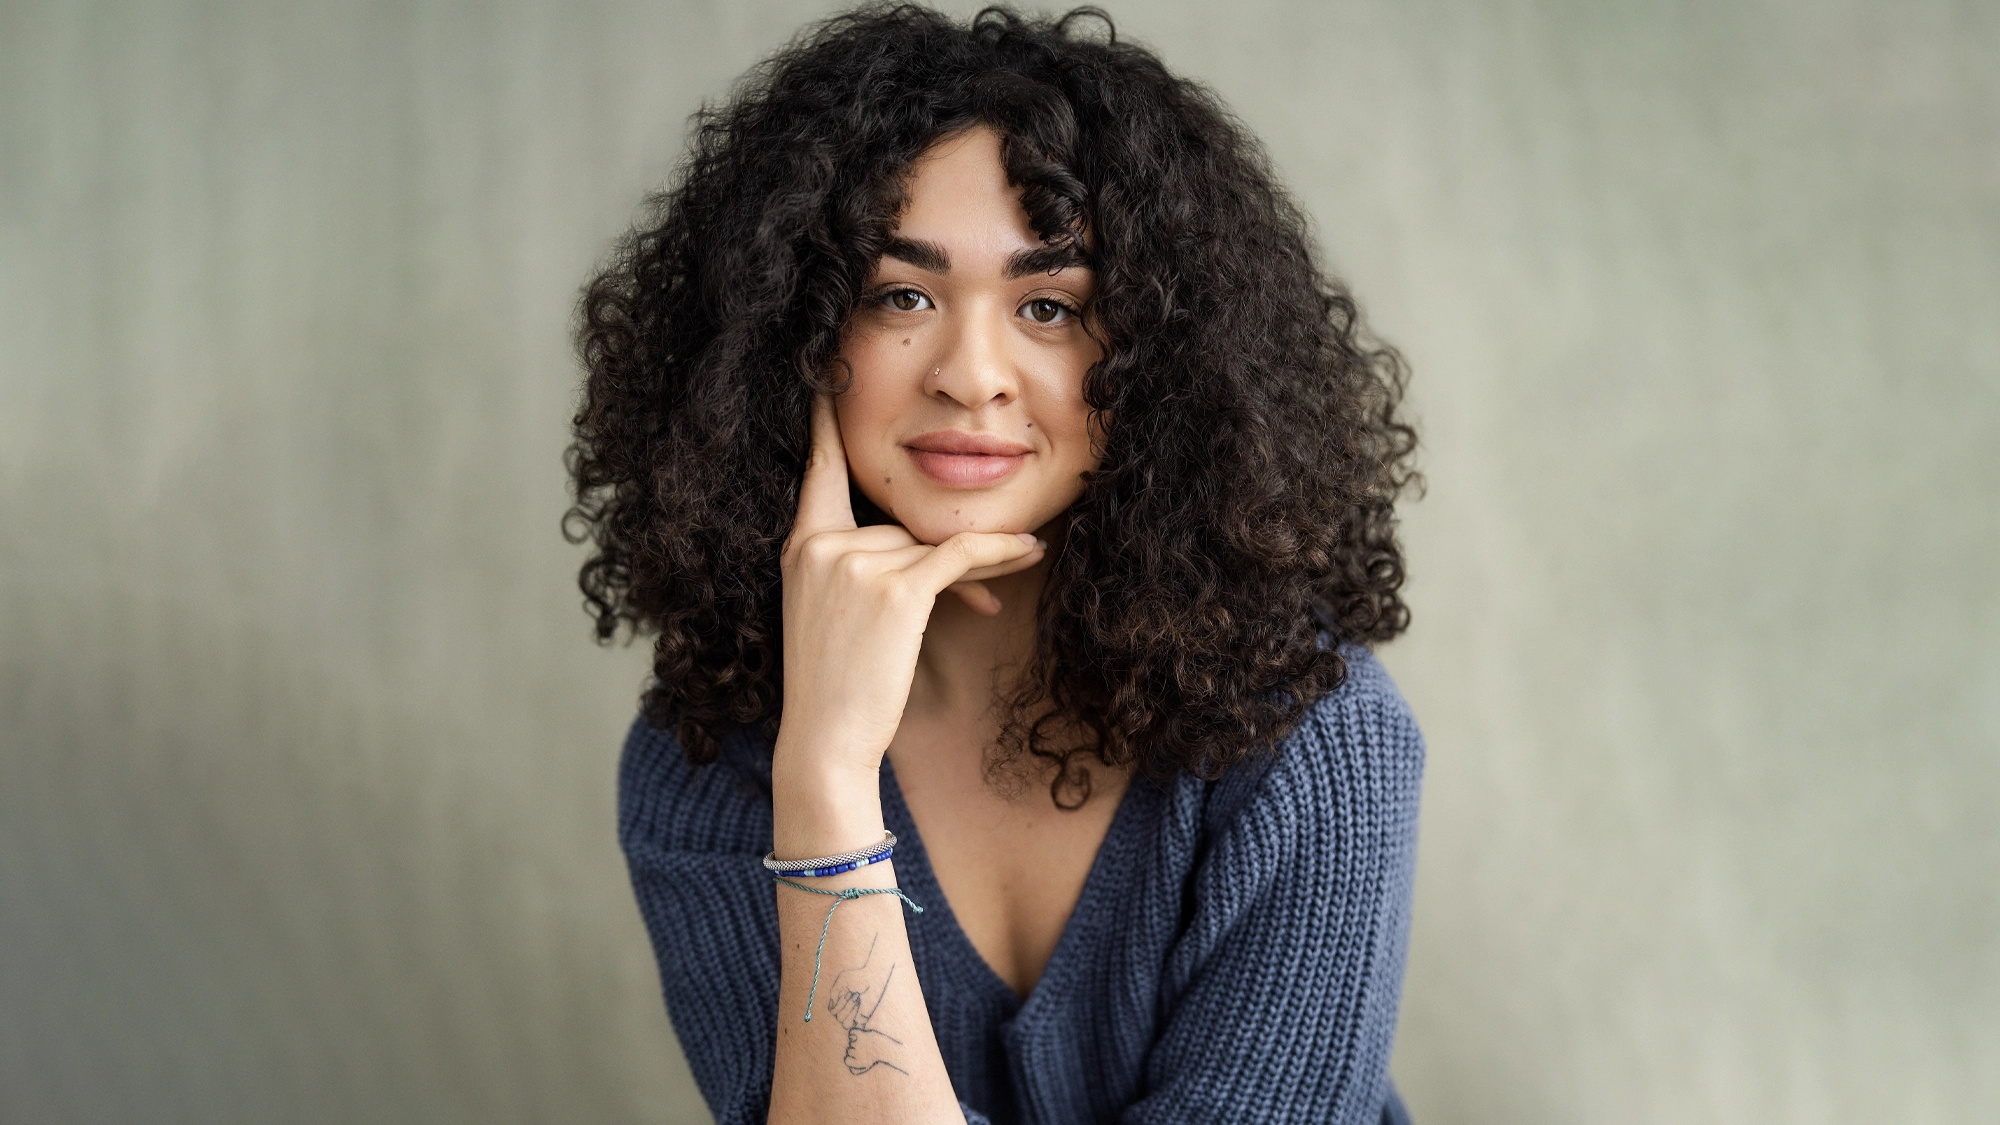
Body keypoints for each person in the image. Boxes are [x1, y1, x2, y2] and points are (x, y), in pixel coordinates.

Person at [566, 5, 1424, 1122]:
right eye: (901, 295)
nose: (972, 374)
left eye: (1050, 306)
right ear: (789, 340)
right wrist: (825, 777)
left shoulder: (1310, 732)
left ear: (1163, 360)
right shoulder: (711, 762)